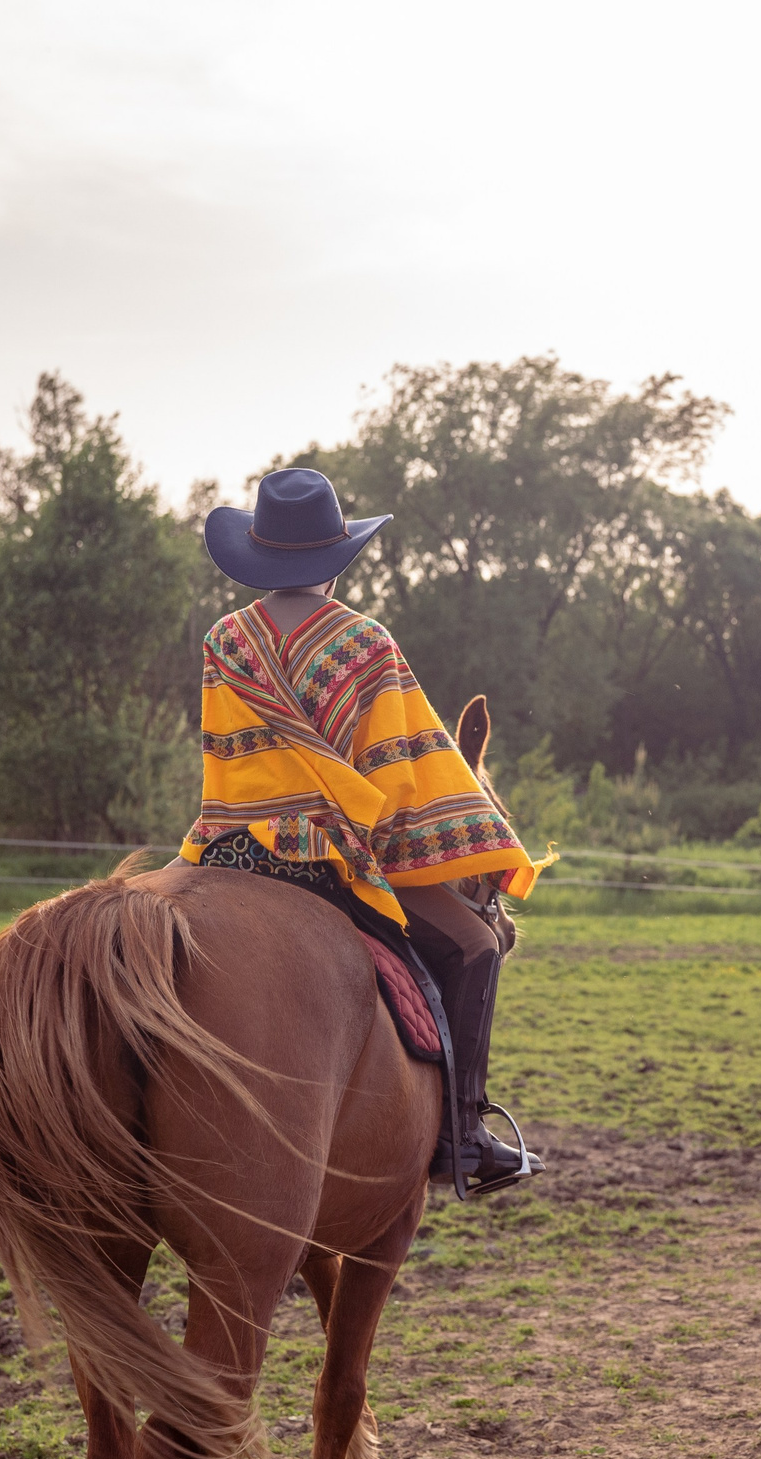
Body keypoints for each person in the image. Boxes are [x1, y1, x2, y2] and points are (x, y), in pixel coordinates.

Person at [181, 467, 548, 1196]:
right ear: (337, 555)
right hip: (328, 857)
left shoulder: (225, 640)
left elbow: (226, 758)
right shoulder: (363, 644)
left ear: (260, 553)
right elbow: (408, 773)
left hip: (225, 850)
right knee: (476, 944)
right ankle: (463, 1136)